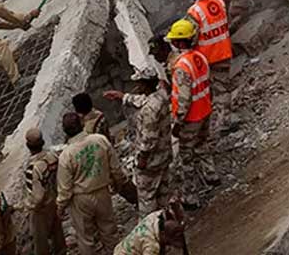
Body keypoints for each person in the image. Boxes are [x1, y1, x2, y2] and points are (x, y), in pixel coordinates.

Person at [165, 20, 218, 210]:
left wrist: (178, 122)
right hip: (205, 110)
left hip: (191, 118)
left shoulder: (181, 67)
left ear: (179, 43)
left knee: (186, 157)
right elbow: (207, 83)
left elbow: (184, 98)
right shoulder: (200, 57)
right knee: (203, 144)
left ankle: (191, 196)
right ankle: (211, 175)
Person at [104, 68, 172, 215]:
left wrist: (142, 159)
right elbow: (143, 100)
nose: (137, 86)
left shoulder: (149, 110)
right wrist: (122, 96)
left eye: (139, 83)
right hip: (164, 154)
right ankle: (168, 223)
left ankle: (150, 229)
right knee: (163, 194)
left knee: (147, 199)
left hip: (151, 162)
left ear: (145, 85)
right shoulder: (161, 95)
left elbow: (149, 140)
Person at [56, 111, 125, 255]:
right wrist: (118, 183)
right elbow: (116, 168)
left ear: (65, 131)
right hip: (102, 192)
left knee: (85, 239)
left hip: (81, 200)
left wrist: (60, 207)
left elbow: (65, 189)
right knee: (110, 232)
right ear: (82, 124)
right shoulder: (100, 140)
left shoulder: (66, 155)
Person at [185, 0, 235, 134]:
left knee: (212, 92)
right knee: (223, 88)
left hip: (207, 58)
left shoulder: (194, 11)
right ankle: (222, 119)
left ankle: (222, 124)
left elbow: (191, 37)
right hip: (224, 52)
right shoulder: (220, 3)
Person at [22, 128, 66, 255]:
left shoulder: (33, 167)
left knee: (41, 243)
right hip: (55, 200)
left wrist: (27, 205)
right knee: (58, 235)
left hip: (41, 210)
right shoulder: (52, 156)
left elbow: (37, 197)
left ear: (28, 145)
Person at [113, 206, 185, 255]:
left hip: (121, 248)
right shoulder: (152, 246)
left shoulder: (155, 217)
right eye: (168, 241)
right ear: (162, 234)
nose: (169, 244)